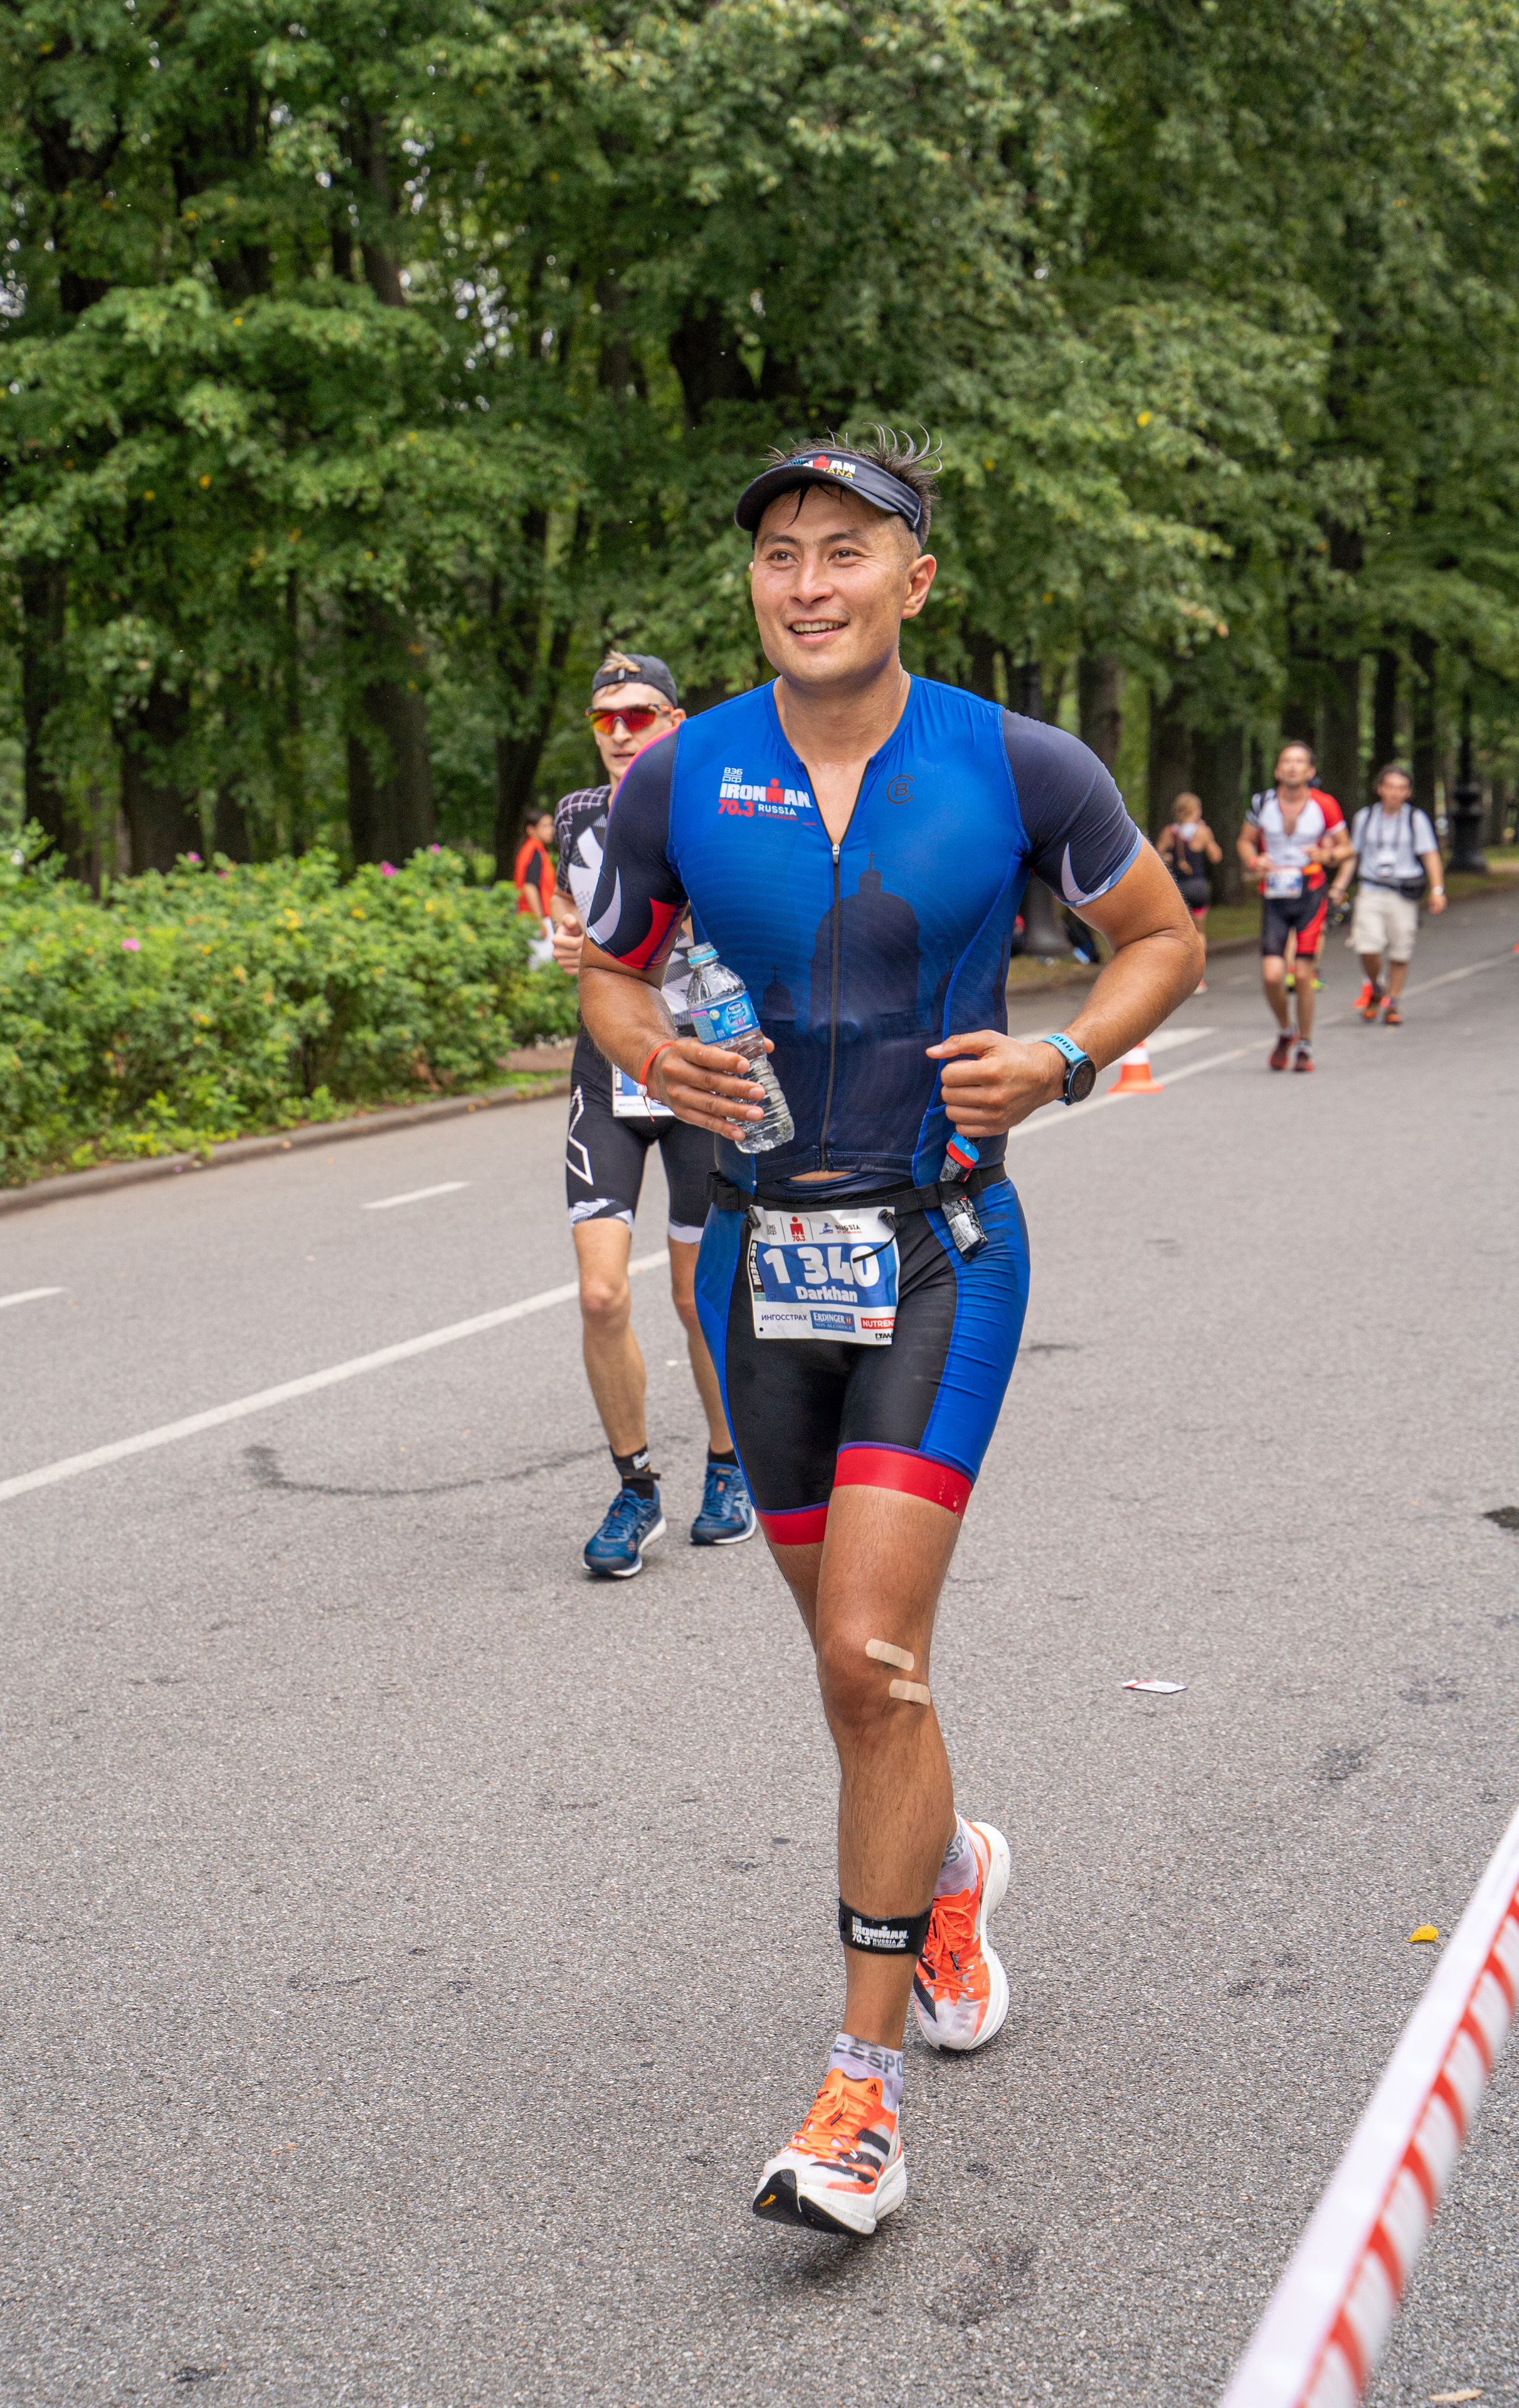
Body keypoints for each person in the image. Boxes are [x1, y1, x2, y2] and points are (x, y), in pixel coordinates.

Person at [576, 434, 1202, 2235]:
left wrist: (1066, 1057)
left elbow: (1158, 935)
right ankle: (948, 1872)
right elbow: (610, 966)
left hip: (941, 1250)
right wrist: (642, 1048)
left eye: (842, 551)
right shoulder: (680, 776)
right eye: (777, 555)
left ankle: (859, 2100)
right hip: (749, 1270)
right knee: (852, 1672)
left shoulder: (1018, 763)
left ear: (913, 579)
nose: (804, 583)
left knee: (869, 1659)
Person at [550, 650, 757, 1576]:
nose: (622, 731)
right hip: (609, 1072)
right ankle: (635, 1488)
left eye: (640, 714)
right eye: (606, 719)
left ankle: (728, 1464)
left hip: (699, 1073)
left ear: (677, 720)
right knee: (600, 1293)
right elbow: (569, 914)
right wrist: (564, 940)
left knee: (693, 1296)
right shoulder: (577, 818)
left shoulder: (721, 801)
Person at [1237, 741, 1352, 1071]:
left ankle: (1305, 1043)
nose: (1292, 767)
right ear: (1277, 769)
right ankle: (1286, 1031)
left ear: (1310, 771)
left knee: (1303, 975)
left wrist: (1327, 855)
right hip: (1273, 895)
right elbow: (1244, 840)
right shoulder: (1263, 803)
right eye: (1286, 761)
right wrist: (1254, 859)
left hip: (1309, 893)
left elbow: (1346, 848)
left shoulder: (1325, 805)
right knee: (1272, 976)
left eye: (1299, 762)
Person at [1329, 763, 1446, 1023]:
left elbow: (1430, 855)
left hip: (1402, 891)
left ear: (1408, 792)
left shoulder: (1416, 819)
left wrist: (1438, 889)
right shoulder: (1366, 817)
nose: (1395, 793)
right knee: (1367, 945)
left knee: (1400, 949)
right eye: (1390, 787)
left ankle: (1392, 1002)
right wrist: (1339, 886)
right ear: (1380, 789)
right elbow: (1352, 854)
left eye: (1401, 788)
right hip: (1371, 888)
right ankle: (1376, 987)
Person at [1156, 791, 1221, 991]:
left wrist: (1169, 857)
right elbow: (1216, 857)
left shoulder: (1170, 832)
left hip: (1178, 888)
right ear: (1194, 811)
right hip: (1198, 886)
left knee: (1180, 932)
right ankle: (1198, 978)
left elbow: (1157, 855)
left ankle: (1178, 977)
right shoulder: (1202, 832)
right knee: (1199, 931)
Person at [513, 808, 556, 922]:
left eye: (551, 825)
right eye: (545, 826)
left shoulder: (533, 849)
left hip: (530, 917)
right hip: (535, 918)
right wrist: (539, 920)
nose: (551, 830)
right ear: (531, 830)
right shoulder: (534, 851)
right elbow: (529, 886)